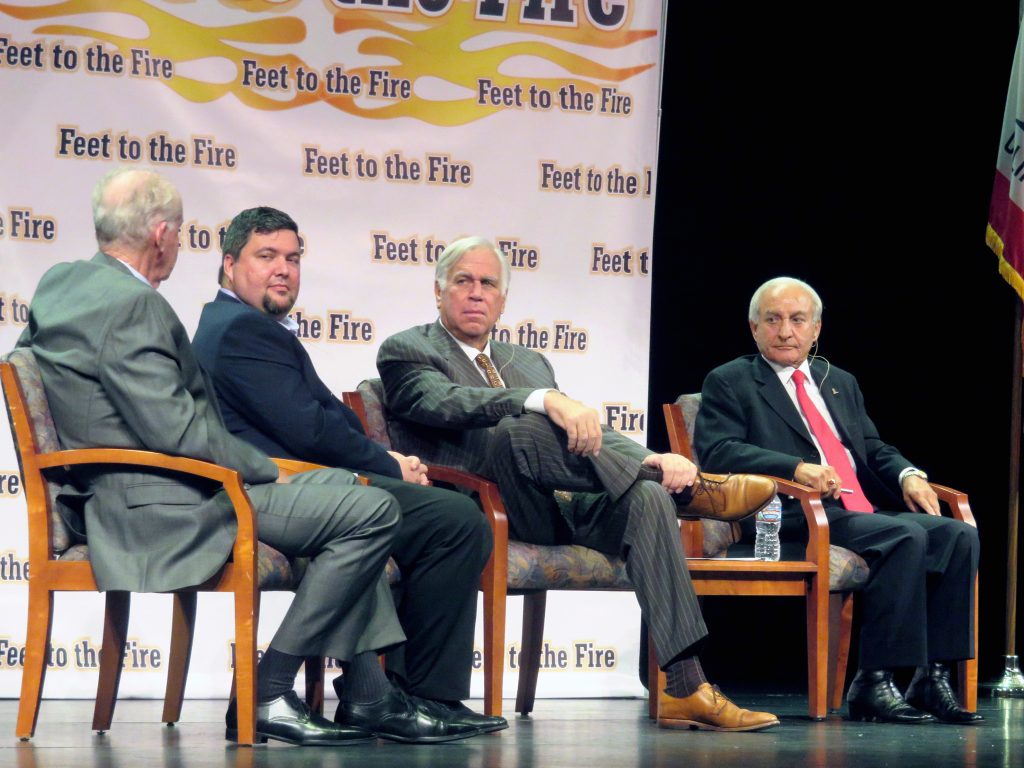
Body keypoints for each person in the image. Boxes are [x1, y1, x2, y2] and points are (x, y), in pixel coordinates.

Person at [15, 168, 476, 746]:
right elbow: (176, 431)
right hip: (164, 501)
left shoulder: (63, 282)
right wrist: (269, 468)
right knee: (372, 510)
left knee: (344, 497)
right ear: (161, 234)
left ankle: (368, 696)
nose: (180, 245)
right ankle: (267, 688)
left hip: (119, 488)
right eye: (180, 234)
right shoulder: (136, 306)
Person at [377, 236, 780, 732]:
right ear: (439, 293)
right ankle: (697, 496)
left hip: (556, 503)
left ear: (503, 300)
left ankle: (685, 685)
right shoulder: (407, 349)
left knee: (648, 497)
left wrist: (649, 457)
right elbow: (445, 403)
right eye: (464, 281)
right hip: (482, 508)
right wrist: (541, 398)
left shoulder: (528, 361)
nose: (476, 293)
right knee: (517, 424)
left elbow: (582, 435)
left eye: (488, 284)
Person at [191, 206, 502, 740]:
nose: (283, 269)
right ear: (228, 263)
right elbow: (308, 429)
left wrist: (388, 462)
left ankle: (374, 696)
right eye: (266, 257)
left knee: (406, 519)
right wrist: (388, 464)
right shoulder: (240, 329)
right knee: (455, 521)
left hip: (311, 484)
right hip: (282, 487)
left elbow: (324, 416)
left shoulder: (253, 326)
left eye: (292, 258)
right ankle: (418, 694)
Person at [695, 276, 982, 725]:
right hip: (790, 514)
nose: (785, 331)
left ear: (816, 329)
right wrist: (795, 468)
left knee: (958, 535)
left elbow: (870, 446)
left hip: (854, 510)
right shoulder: (731, 381)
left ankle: (933, 675)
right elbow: (718, 451)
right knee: (904, 534)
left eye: (796, 320)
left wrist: (908, 474)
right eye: (772, 320)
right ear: (754, 328)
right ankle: (874, 680)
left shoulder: (839, 382)